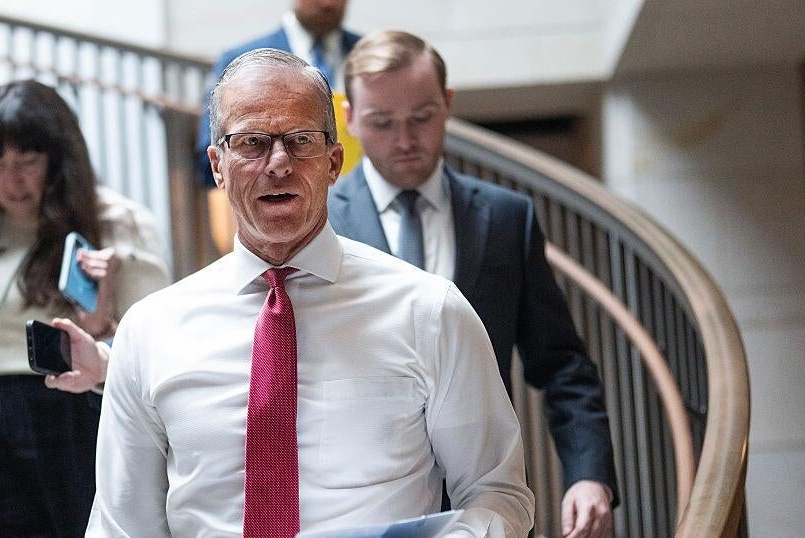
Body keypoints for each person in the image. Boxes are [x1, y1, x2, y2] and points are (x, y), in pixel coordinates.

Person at [83, 48, 534, 537]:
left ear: (333, 161)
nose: (279, 163)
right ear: (217, 166)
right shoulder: (150, 331)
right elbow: (121, 525)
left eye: (300, 141)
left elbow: (496, 492)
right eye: (252, 142)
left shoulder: (429, 311)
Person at [328, 30, 618, 538]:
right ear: (350, 118)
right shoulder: (320, 226)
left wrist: (589, 474)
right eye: (382, 122)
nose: (404, 140)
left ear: (448, 103)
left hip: (489, 505)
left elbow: (562, 364)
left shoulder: (507, 218)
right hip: (362, 511)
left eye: (422, 117)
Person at [0, 80, 171, 538]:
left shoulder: (115, 222)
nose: (10, 181)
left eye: (27, 162)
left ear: (58, 160)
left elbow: (155, 350)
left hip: (80, 407)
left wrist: (100, 321)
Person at [194, 0, 361, 189]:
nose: (328, 3)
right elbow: (208, 162)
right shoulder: (239, 62)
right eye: (253, 141)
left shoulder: (369, 57)